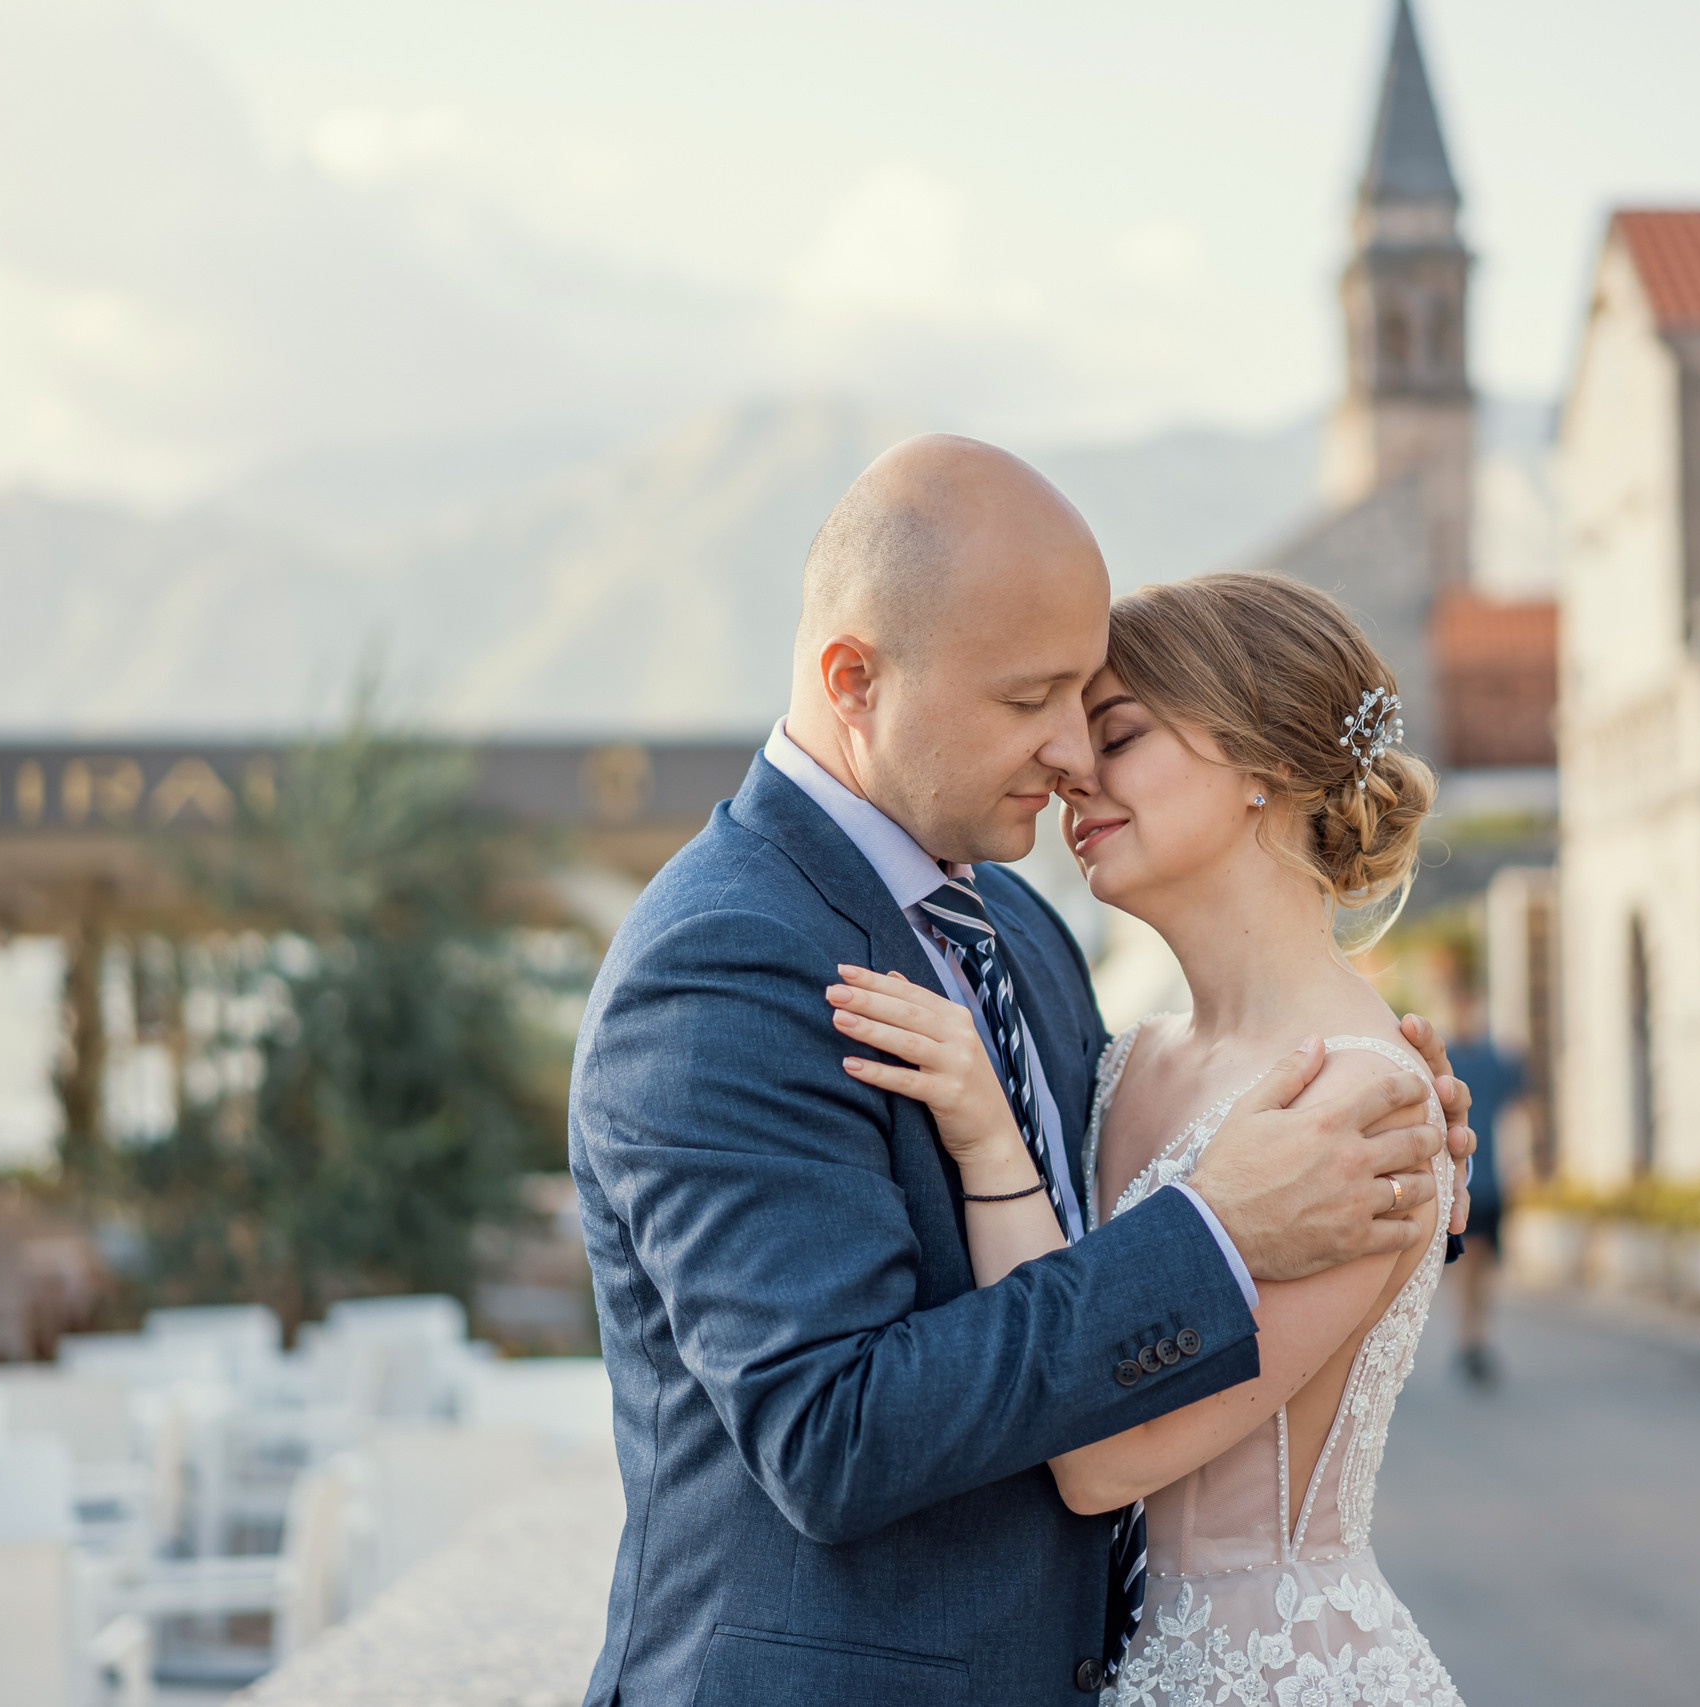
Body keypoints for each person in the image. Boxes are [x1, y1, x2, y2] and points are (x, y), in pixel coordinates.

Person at [567, 435, 1478, 1707]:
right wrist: (1220, 1230)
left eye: (1097, 711)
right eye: (1029, 700)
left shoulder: (1021, 934)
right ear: (855, 681)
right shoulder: (725, 960)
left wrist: (1409, 1186)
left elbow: (1118, 1228)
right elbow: (830, 1432)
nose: (1070, 759)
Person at [831, 573, 1468, 1705]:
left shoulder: (1368, 1099)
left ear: (1263, 765)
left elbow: (1098, 1458)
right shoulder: (1125, 1065)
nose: (1072, 768)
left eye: (1116, 732)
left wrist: (989, 1139)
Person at [1442, 994, 1522, 1388]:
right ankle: (1470, 1336)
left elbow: (1520, 1111)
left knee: (1487, 1261)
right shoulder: (1445, 1060)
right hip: (1463, 1180)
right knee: (1469, 1261)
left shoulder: (1497, 1061)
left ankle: (1478, 1335)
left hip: (1494, 1179)